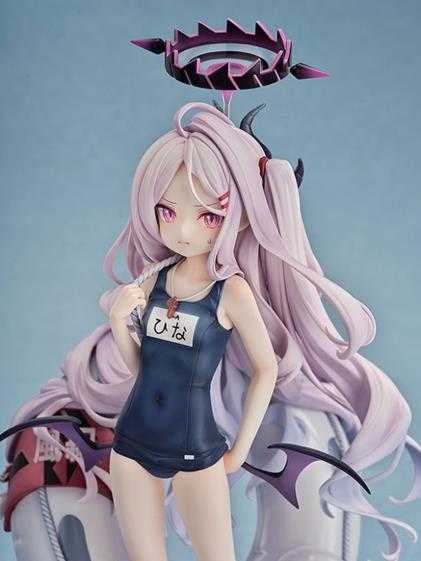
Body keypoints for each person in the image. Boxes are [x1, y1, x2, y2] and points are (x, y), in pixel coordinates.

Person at [1, 101, 419, 561]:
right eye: (167, 211)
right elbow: (143, 369)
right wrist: (120, 323)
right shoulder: (155, 281)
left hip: (195, 448)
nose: (182, 230)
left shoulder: (231, 293)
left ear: (239, 216)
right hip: (133, 443)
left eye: (207, 216)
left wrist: (238, 451)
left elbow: (265, 368)